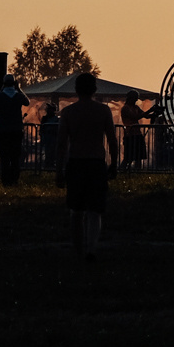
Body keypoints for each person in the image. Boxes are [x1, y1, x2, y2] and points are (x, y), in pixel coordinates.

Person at [54, 71, 119, 260]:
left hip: (76, 162)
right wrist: (114, 164)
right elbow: (113, 140)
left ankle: (78, 249)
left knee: (76, 210)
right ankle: (91, 248)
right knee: (95, 210)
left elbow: (61, 144)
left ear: (76, 89)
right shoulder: (103, 111)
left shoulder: (68, 112)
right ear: (95, 89)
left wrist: (59, 170)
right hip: (96, 162)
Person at [0, 74, 31, 186]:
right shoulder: (18, 96)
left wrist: (1, 89)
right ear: (14, 83)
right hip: (16, 129)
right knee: (15, 156)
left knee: (4, 156)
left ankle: (5, 179)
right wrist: (19, 89)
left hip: (2, 129)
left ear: (3, 84)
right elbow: (27, 102)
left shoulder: (0, 96)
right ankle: (14, 179)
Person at [120, 95, 148, 170]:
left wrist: (152, 112)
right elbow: (135, 116)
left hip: (137, 134)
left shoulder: (135, 107)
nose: (135, 101)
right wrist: (146, 113)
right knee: (128, 157)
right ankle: (121, 170)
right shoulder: (126, 108)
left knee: (139, 156)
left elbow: (145, 115)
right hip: (130, 134)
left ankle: (137, 171)